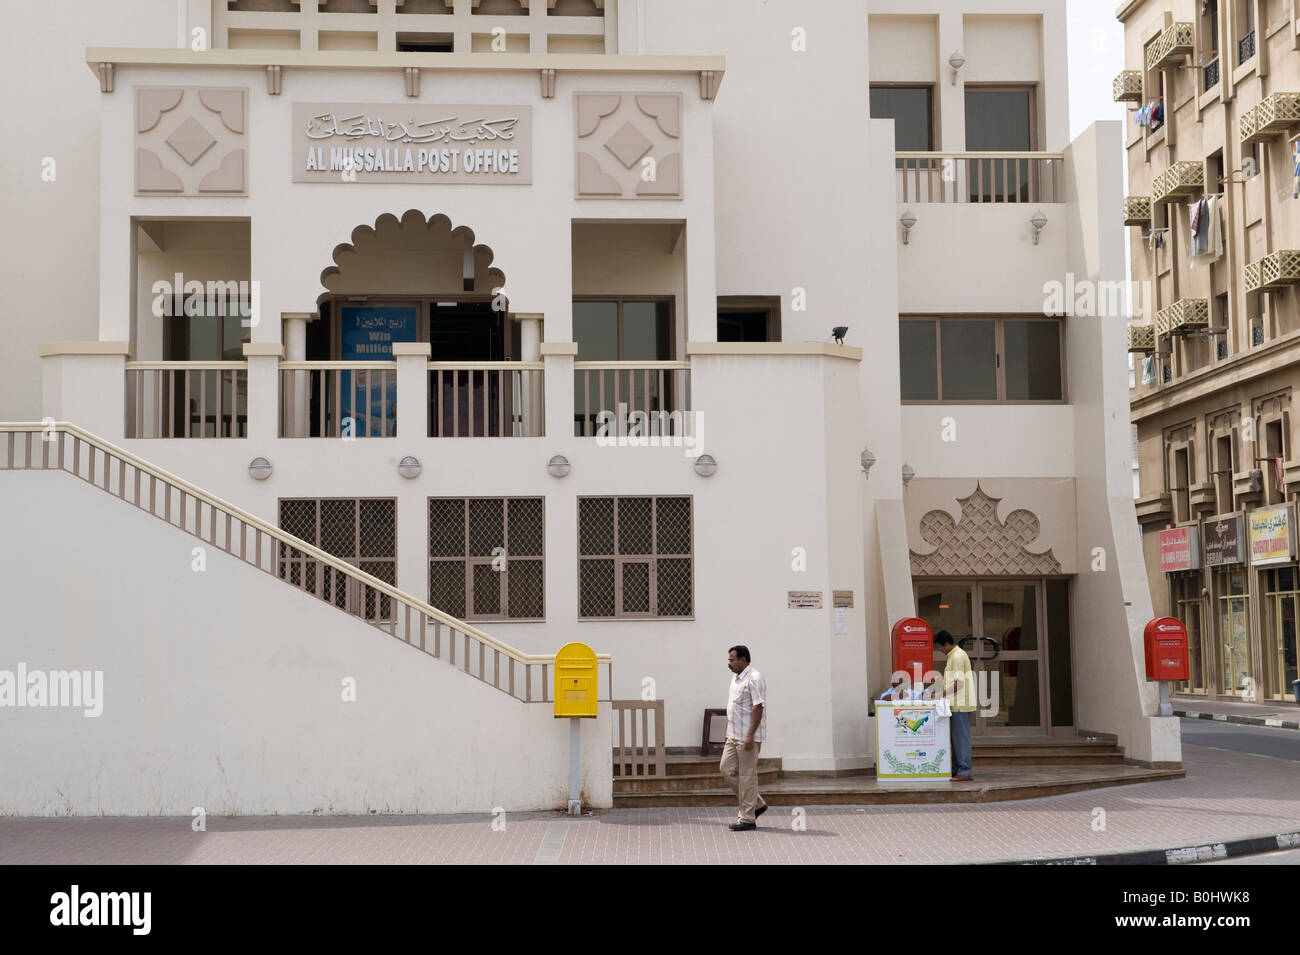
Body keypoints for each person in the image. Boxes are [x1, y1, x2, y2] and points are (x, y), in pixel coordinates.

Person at [721, 645, 768, 831]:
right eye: (729, 660)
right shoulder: (735, 679)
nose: (729, 663)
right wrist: (727, 733)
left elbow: (758, 708)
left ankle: (747, 819)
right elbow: (733, 707)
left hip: (747, 737)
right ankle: (756, 804)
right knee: (725, 769)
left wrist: (750, 736)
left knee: (747, 776)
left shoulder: (754, 678)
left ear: (743, 660)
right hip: (733, 736)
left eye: (732, 660)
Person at [933, 630, 976, 781]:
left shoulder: (957, 657)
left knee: (960, 739)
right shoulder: (954, 655)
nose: (940, 650)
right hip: (955, 703)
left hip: (959, 703)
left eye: (940, 647)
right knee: (955, 739)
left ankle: (964, 771)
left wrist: (940, 695)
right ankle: (958, 769)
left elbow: (958, 684)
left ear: (946, 644)